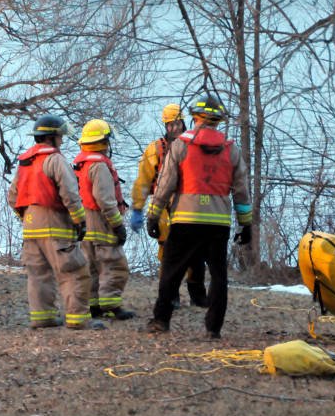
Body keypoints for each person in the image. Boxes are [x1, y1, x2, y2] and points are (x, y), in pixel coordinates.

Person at [145, 94, 253, 337]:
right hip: (218, 223)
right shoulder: (230, 147)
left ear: (194, 117)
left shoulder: (180, 144)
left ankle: (161, 320)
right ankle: (213, 328)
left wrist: (153, 215)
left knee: (171, 271)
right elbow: (242, 191)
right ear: (218, 120)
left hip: (185, 219)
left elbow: (165, 185)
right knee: (218, 276)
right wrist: (246, 224)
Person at [7, 114, 104, 330]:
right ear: (52, 137)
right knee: (74, 270)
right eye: (60, 136)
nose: (62, 140)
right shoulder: (56, 160)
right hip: (54, 223)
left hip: (30, 227)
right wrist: (80, 220)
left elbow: (13, 197)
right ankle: (78, 319)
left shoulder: (25, 163)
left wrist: (26, 217)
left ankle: (43, 317)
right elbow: (70, 193)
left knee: (38, 274)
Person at [130, 103, 207, 308]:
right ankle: (170, 294)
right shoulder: (155, 149)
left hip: (190, 204)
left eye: (178, 123)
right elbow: (144, 180)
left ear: (183, 122)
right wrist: (138, 207)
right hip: (164, 206)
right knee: (167, 252)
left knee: (196, 252)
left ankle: (197, 294)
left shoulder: (194, 145)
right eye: (170, 124)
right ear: (165, 125)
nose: (175, 128)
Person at [72, 119, 135, 320]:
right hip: (101, 220)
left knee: (90, 264)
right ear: (103, 142)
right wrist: (117, 225)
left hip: (84, 220)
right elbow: (106, 200)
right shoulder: (99, 167)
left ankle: (94, 305)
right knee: (113, 263)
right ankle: (111, 305)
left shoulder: (81, 164)